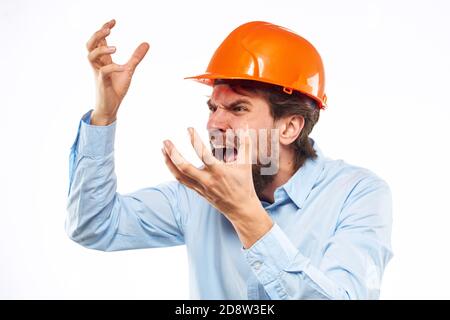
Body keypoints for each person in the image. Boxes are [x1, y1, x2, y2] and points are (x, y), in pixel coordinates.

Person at [66, 19, 393, 299]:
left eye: (238, 108)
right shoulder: (197, 195)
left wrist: (248, 217)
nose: (214, 124)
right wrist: (104, 114)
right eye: (213, 108)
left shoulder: (357, 194)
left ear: (289, 127)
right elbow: (94, 226)